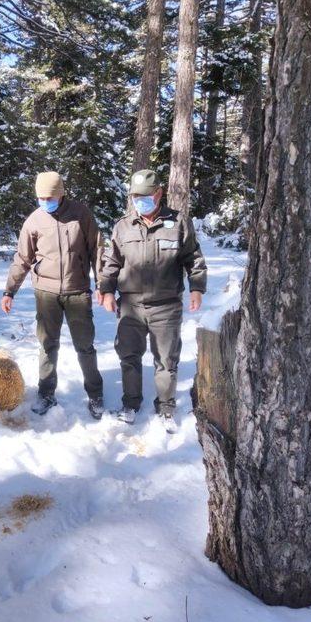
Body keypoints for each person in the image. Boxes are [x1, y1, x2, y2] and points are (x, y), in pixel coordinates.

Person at [99, 169, 207, 432]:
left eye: (145, 195)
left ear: (158, 194)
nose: (140, 200)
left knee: (167, 360)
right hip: (130, 305)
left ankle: (166, 408)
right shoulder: (123, 226)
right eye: (135, 196)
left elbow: (193, 258)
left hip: (166, 305)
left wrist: (197, 288)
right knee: (129, 357)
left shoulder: (178, 222)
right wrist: (106, 290)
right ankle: (131, 404)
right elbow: (111, 261)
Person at [0, 171, 104, 419]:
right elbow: (22, 259)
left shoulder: (81, 215)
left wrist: (102, 284)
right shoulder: (34, 221)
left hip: (77, 291)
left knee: (85, 346)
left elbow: (96, 250)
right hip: (46, 294)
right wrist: (9, 290)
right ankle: (46, 393)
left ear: (61, 193)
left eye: (49, 197)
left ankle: (95, 393)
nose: (45, 201)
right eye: (40, 197)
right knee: (47, 345)